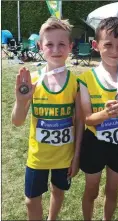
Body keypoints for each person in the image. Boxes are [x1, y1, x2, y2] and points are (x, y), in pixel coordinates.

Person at [11, 17, 83, 221]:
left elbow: (79, 122)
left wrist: (76, 157)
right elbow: (17, 121)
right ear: (40, 46)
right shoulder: (32, 80)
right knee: (31, 200)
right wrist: (20, 100)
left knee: (57, 191)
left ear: (70, 46)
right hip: (38, 157)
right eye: (49, 44)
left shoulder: (76, 83)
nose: (56, 49)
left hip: (64, 157)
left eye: (62, 44)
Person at [78, 17, 118, 220]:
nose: (115, 51)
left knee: (112, 192)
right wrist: (105, 114)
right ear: (96, 46)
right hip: (94, 144)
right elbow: (86, 119)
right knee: (92, 190)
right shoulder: (86, 79)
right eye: (108, 45)